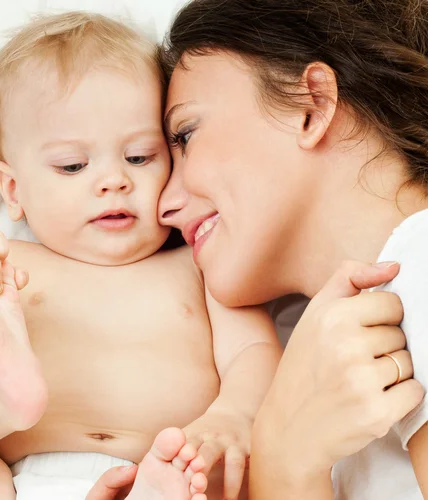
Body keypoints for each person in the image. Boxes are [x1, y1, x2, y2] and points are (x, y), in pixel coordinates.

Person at [0, 11, 282, 500]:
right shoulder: (5, 263)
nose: (113, 180)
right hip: (11, 482)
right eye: (73, 165)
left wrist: (231, 415)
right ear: (13, 190)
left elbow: (254, 353)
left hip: (165, 469)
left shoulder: (198, 263)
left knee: (227, 471)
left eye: (140, 156)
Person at [142, 0, 428, 498]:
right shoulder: (312, 360)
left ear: (310, 107)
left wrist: (283, 457)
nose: (163, 205)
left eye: (186, 135)